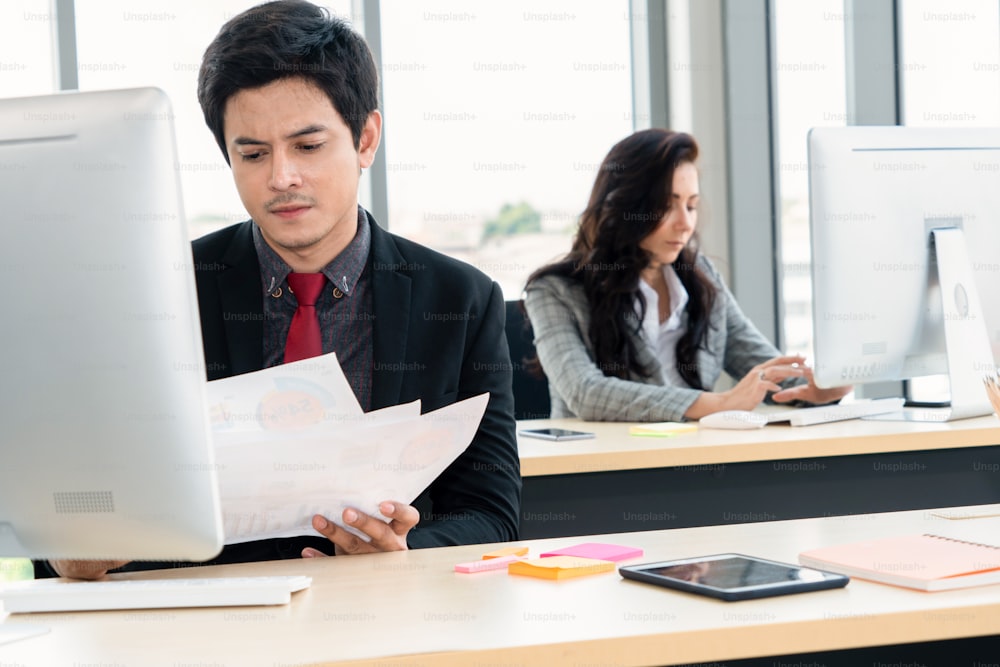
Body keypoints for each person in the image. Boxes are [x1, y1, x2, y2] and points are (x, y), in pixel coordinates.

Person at [48, 0, 520, 580]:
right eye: (252, 153)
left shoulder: (460, 299)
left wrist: (401, 550)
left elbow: (492, 516)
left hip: (387, 620)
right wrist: (84, 543)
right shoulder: (160, 297)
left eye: (308, 146)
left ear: (366, 138)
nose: (281, 178)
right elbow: (79, 529)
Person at [523, 129, 849, 422]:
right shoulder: (553, 291)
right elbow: (586, 394)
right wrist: (719, 403)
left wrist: (816, 387)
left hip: (692, 468)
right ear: (625, 206)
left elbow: (760, 369)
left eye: (691, 206)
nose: (684, 223)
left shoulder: (701, 277)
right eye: (667, 205)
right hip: (599, 472)